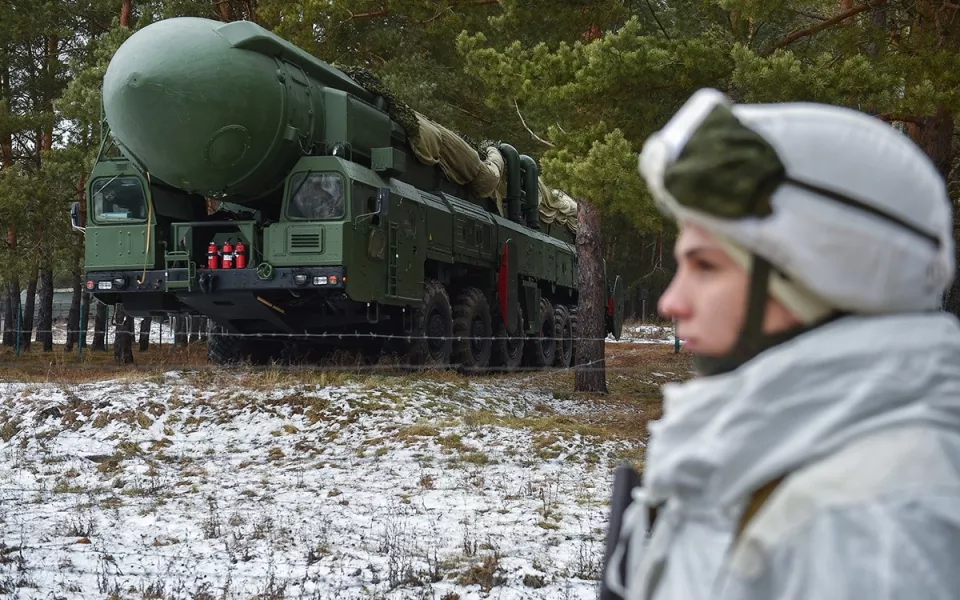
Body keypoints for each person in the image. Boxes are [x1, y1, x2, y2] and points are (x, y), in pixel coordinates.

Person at [601, 88, 960, 599]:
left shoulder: (877, 527)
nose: (671, 303)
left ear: (818, 280)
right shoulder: (772, 456)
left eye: (705, 266)